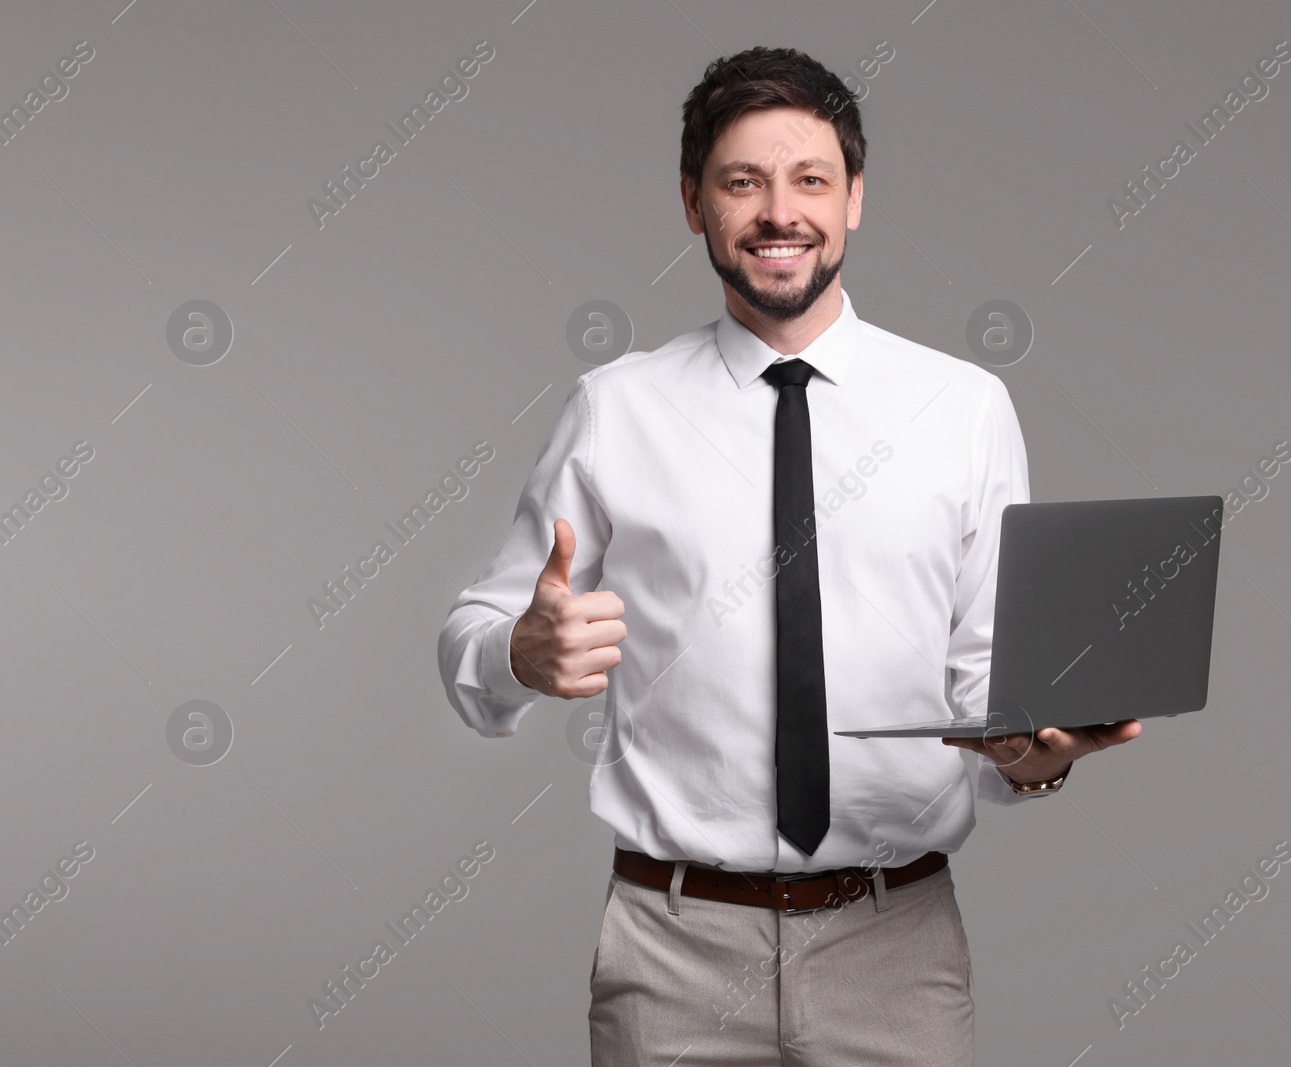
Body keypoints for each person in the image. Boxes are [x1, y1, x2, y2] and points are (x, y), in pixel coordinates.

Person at [437, 44, 1140, 1067]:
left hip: (895, 946)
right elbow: (472, 644)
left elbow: (990, 691)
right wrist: (518, 654)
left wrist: (1041, 755)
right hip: (671, 947)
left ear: (854, 198)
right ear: (693, 203)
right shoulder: (615, 409)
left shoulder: (964, 410)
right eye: (742, 181)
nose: (780, 211)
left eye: (810, 179)